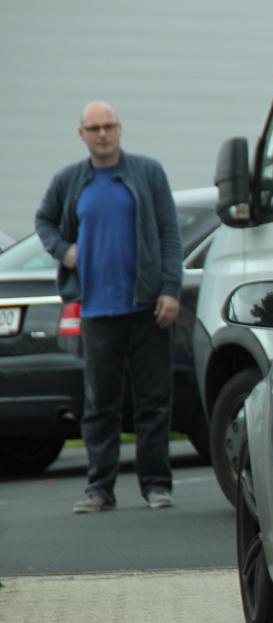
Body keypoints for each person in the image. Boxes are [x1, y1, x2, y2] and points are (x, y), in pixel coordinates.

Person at [35, 101, 182, 513]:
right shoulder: (69, 181)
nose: (103, 134)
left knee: (154, 401)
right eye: (95, 128)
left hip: (148, 307)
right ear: (81, 134)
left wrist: (171, 289)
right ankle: (99, 489)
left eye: (109, 126)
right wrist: (64, 250)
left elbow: (169, 233)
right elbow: (44, 221)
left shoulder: (148, 173)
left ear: (119, 128)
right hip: (97, 311)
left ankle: (156, 485)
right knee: (100, 405)